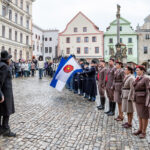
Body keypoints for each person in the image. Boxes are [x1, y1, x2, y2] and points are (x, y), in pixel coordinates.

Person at [0, 50, 16, 137]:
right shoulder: (4, 67)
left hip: (4, 92)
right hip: (5, 93)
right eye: (9, 58)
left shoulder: (2, 65)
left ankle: (1, 128)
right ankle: (5, 129)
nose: (10, 60)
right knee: (7, 110)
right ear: (6, 59)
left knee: (2, 110)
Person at [133, 65, 149, 138]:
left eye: (138, 70)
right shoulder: (137, 78)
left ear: (142, 70)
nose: (136, 71)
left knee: (144, 116)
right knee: (139, 115)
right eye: (136, 70)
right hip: (138, 99)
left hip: (144, 100)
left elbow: (148, 91)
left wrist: (147, 102)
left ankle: (144, 132)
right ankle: (140, 129)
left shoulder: (146, 78)